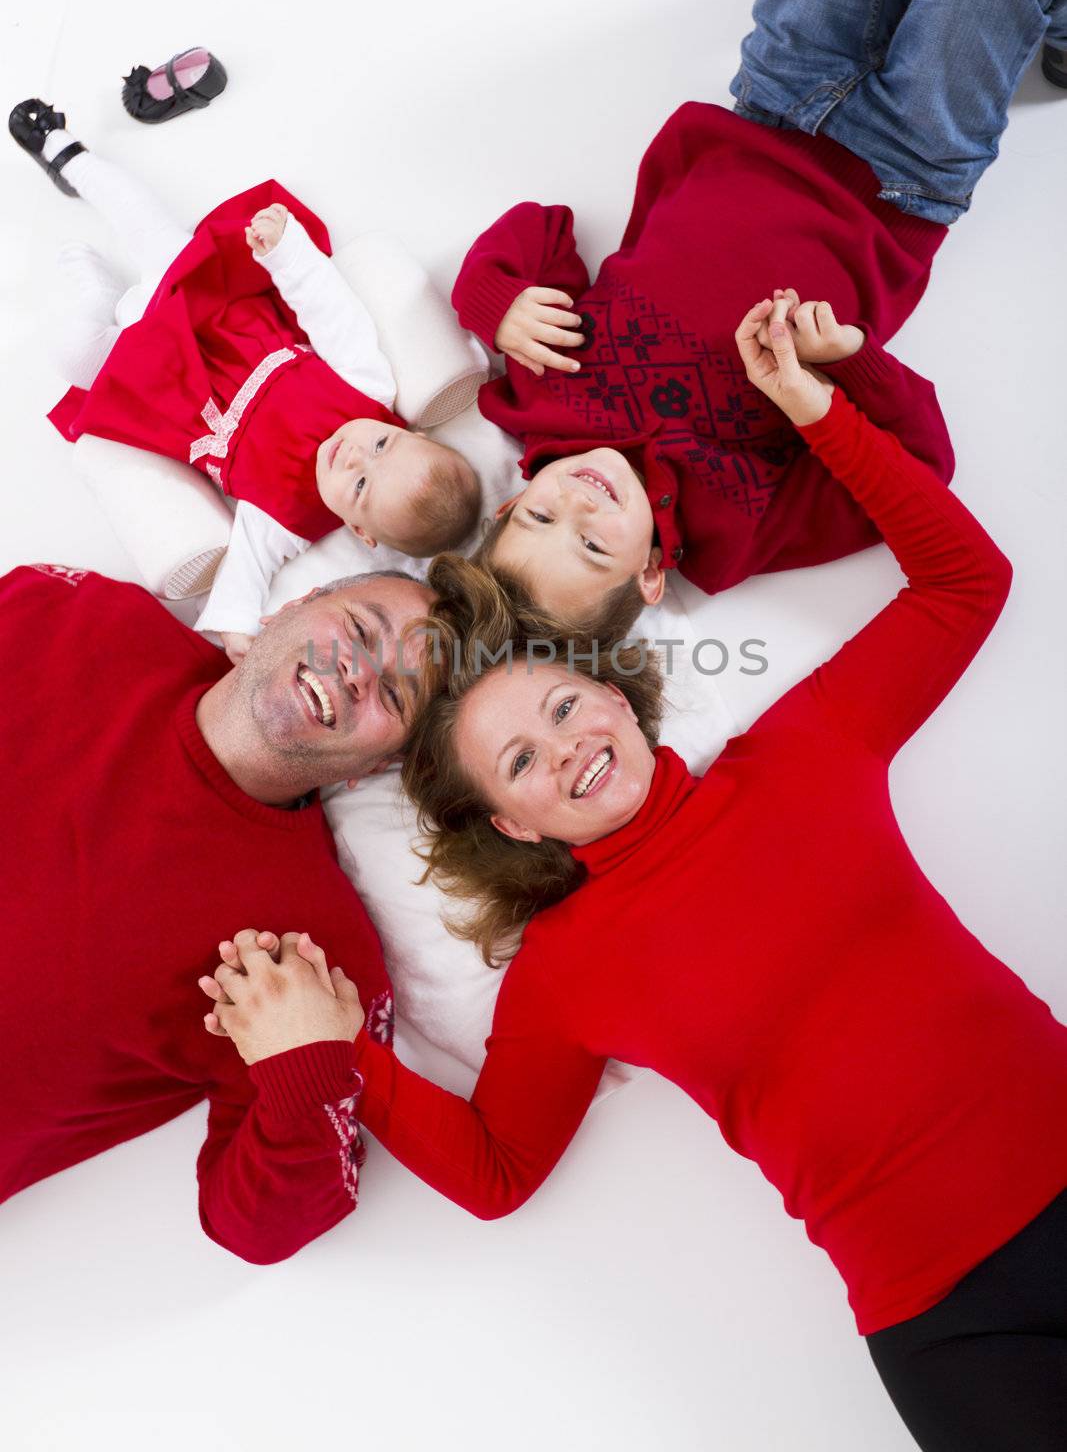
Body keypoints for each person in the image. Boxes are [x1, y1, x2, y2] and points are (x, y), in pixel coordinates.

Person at [205, 300, 1067, 1449]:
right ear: (510, 823)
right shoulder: (564, 969)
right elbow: (497, 1168)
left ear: (616, 692)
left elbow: (965, 583)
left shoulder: (801, 755)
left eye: (562, 705)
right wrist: (328, 1048)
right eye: (521, 758)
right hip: (943, 1320)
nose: (565, 744)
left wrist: (816, 410)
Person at [449, 0, 1067, 630]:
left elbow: (541, 231)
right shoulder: (737, 530)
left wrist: (495, 300)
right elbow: (915, 473)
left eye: (539, 519)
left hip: (775, 99)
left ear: (509, 503)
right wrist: (849, 363)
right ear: (647, 575)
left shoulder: (538, 398)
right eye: (592, 546)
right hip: (901, 172)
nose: (576, 502)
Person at [0, 559, 438, 1263]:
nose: (357, 670)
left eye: (394, 692)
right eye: (358, 627)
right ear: (285, 608)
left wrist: (307, 1065)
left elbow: (259, 1227)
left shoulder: (309, 956)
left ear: (376, 766)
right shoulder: (80, 613)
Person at [5, 115, 481, 661]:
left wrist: (237, 629)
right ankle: (70, 156)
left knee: (72, 354)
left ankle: (93, 285)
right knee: (149, 228)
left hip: (162, 381)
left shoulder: (290, 515)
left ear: (358, 530)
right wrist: (285, 251)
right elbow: (331, 312)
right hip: (215, 314)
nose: (354, 455)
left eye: (359, 487)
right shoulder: (367, 389)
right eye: (382, 445)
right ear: (408, 429)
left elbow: (247, 565)